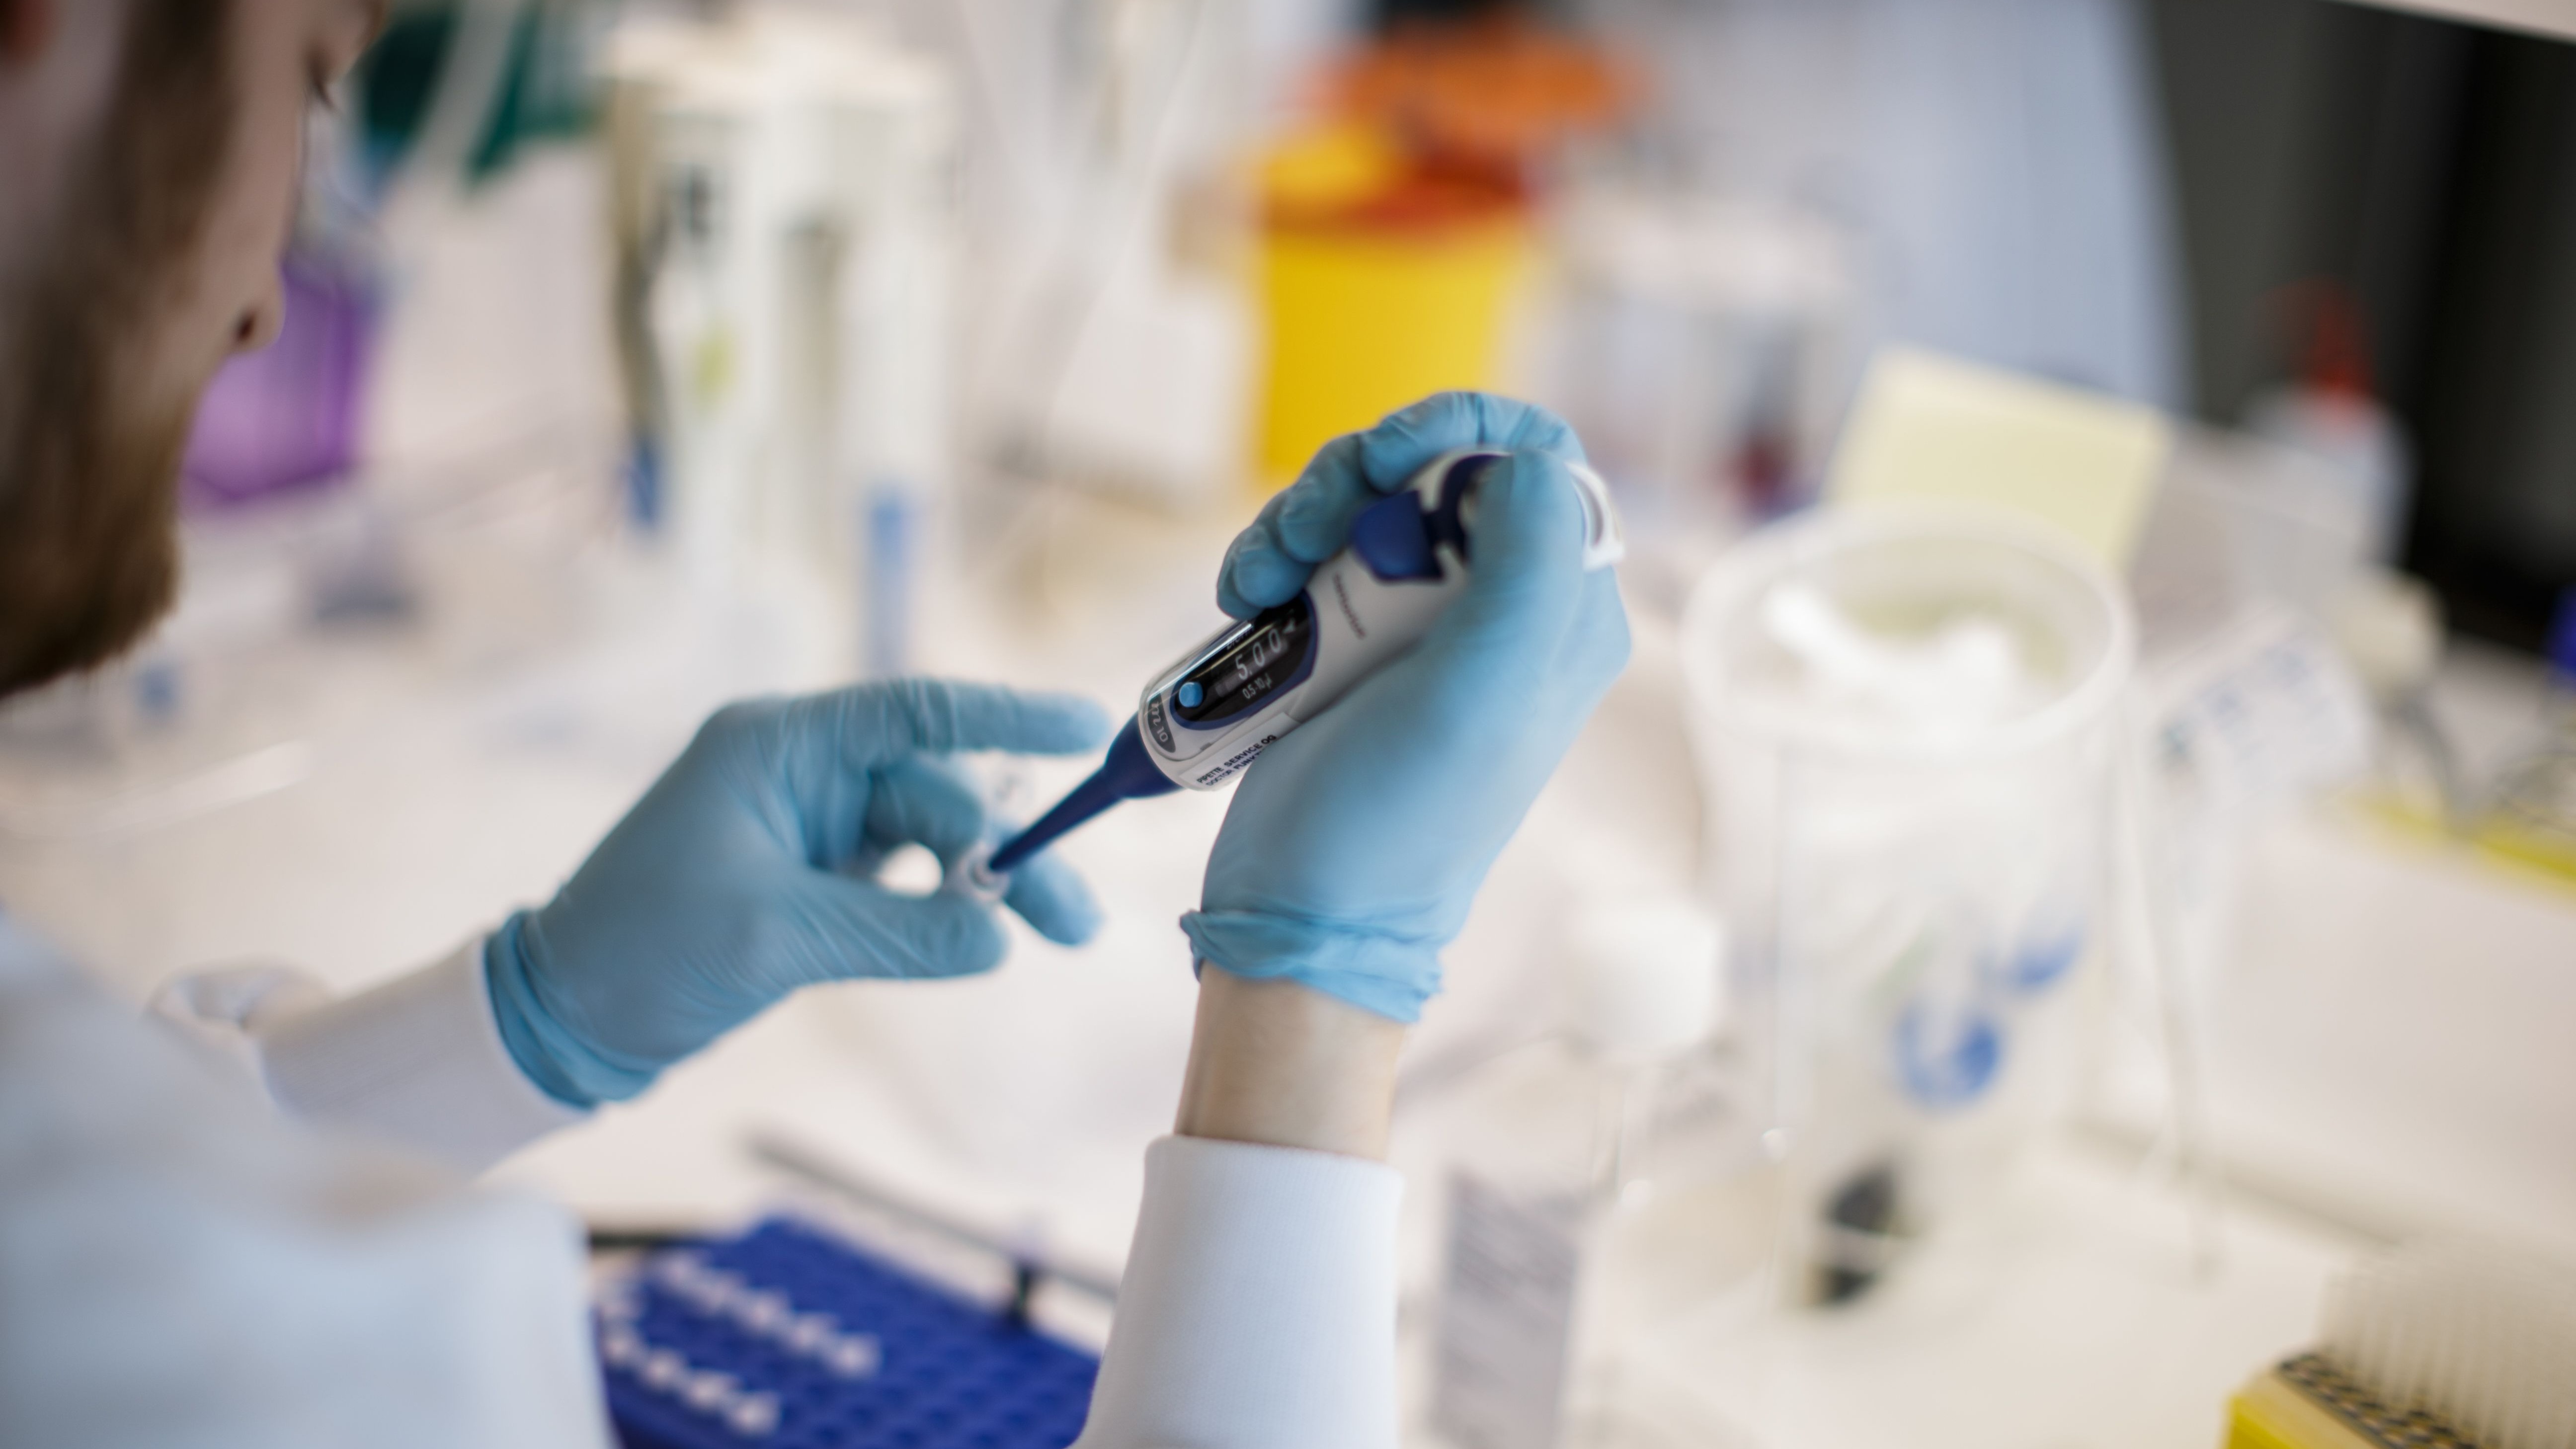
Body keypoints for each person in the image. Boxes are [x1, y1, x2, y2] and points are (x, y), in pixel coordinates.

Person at [0, 2, 1627, 1446]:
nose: (271, 302)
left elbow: (121, 1179)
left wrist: (518, 1021)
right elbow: (178, 1264)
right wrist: (1311, 999)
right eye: (306, 86)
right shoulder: (328, 1364)